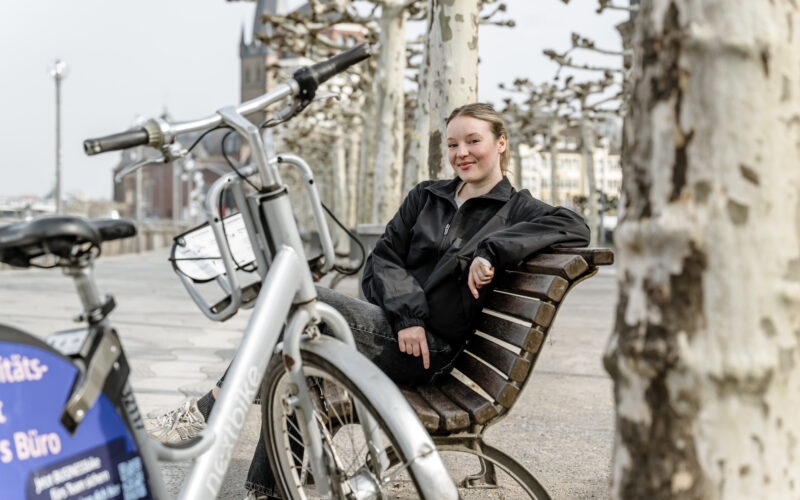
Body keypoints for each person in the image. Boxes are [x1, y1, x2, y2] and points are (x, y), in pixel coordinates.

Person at [147, 102, 590, 499]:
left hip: (429, 354)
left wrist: (491, 250)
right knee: (296, 358)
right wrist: (408, 315)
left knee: (298, 300)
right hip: (397, 329)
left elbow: (575, 225)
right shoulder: (427, 196)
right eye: (453, 144)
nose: (462, 154)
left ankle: (211, 408)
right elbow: (381, 260)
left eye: (474, 141)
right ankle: (265, 491)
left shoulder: (516, 209)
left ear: (501, 145)